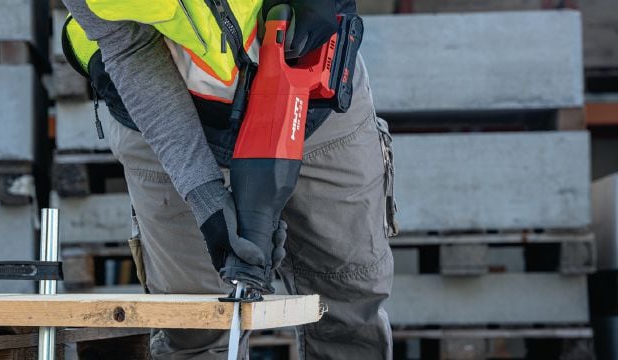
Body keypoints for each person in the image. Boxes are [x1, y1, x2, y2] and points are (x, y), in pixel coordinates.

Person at [60, 1, 397, 358]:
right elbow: (129, 48)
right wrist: (205, 197)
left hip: (313, 89)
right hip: (163, 115)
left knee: (348, 306)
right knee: (195, 327)